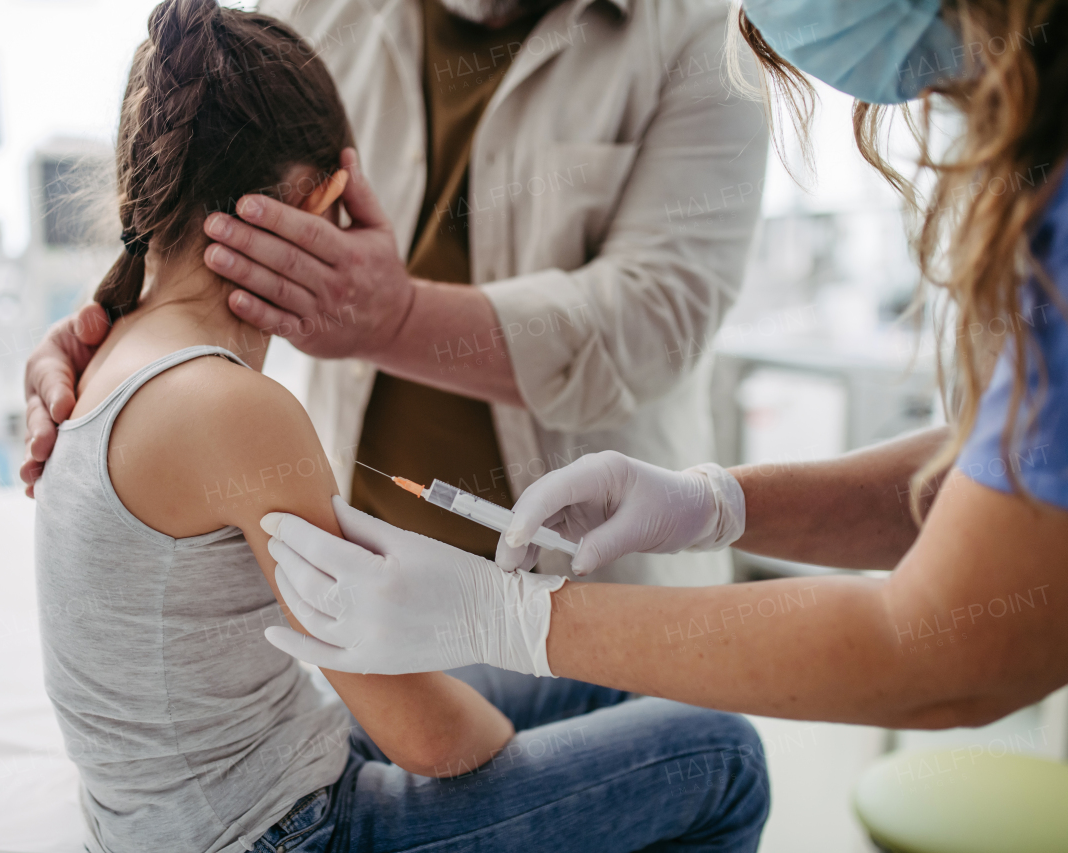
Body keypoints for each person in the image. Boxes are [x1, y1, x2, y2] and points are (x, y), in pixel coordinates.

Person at [34, 3, 769, 852]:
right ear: (328, 199)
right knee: (722, 750)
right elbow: (438, 743)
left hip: (210, 793)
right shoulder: (237, 408)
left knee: (622, 686)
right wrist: (541, 789)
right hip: (285, 827)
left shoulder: (110, 358)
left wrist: (394, 315)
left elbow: (654, 318)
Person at [256, 0, 1068, 731]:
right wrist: (717, 504)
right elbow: (985, 485)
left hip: (597, 615)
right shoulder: (311, 17)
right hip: (369, 599)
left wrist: (507, 616)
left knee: (716, 765)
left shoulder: (692, 35)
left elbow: (950, 649)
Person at [23, 0, 769, 589]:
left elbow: (651, 321)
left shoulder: (707, 40)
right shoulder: (315, 11)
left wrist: (395, 319)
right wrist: (124, 324)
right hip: (374, 577)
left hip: (598, 589)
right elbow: (199, 165)